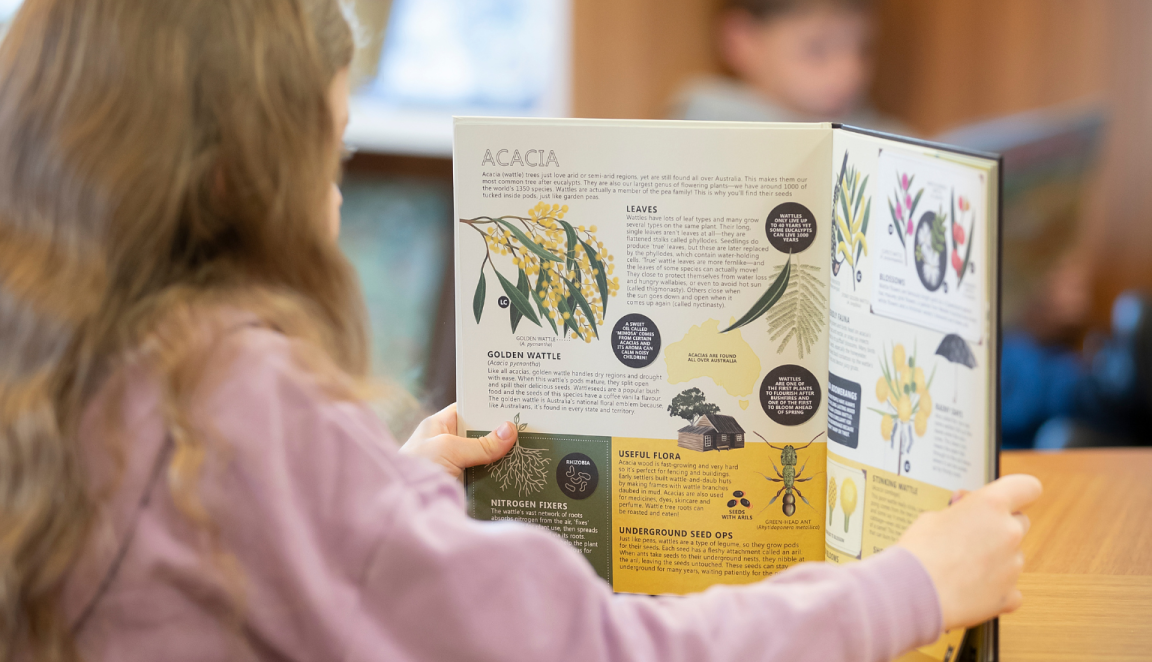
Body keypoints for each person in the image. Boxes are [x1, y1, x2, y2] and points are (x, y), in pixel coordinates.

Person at [0, 1, 1040, 660]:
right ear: (232, 178)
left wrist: (375, 490)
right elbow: (599, 648)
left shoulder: (60, 350)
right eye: (327, 159)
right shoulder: (232, 389)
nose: (332, 203)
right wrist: (911, 584)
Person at [671, 0, 907, 133]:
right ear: (741, 41)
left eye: (862, 50)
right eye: (817, 49)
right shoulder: (698, 127)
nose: (851, 72)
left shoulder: (890, 136)